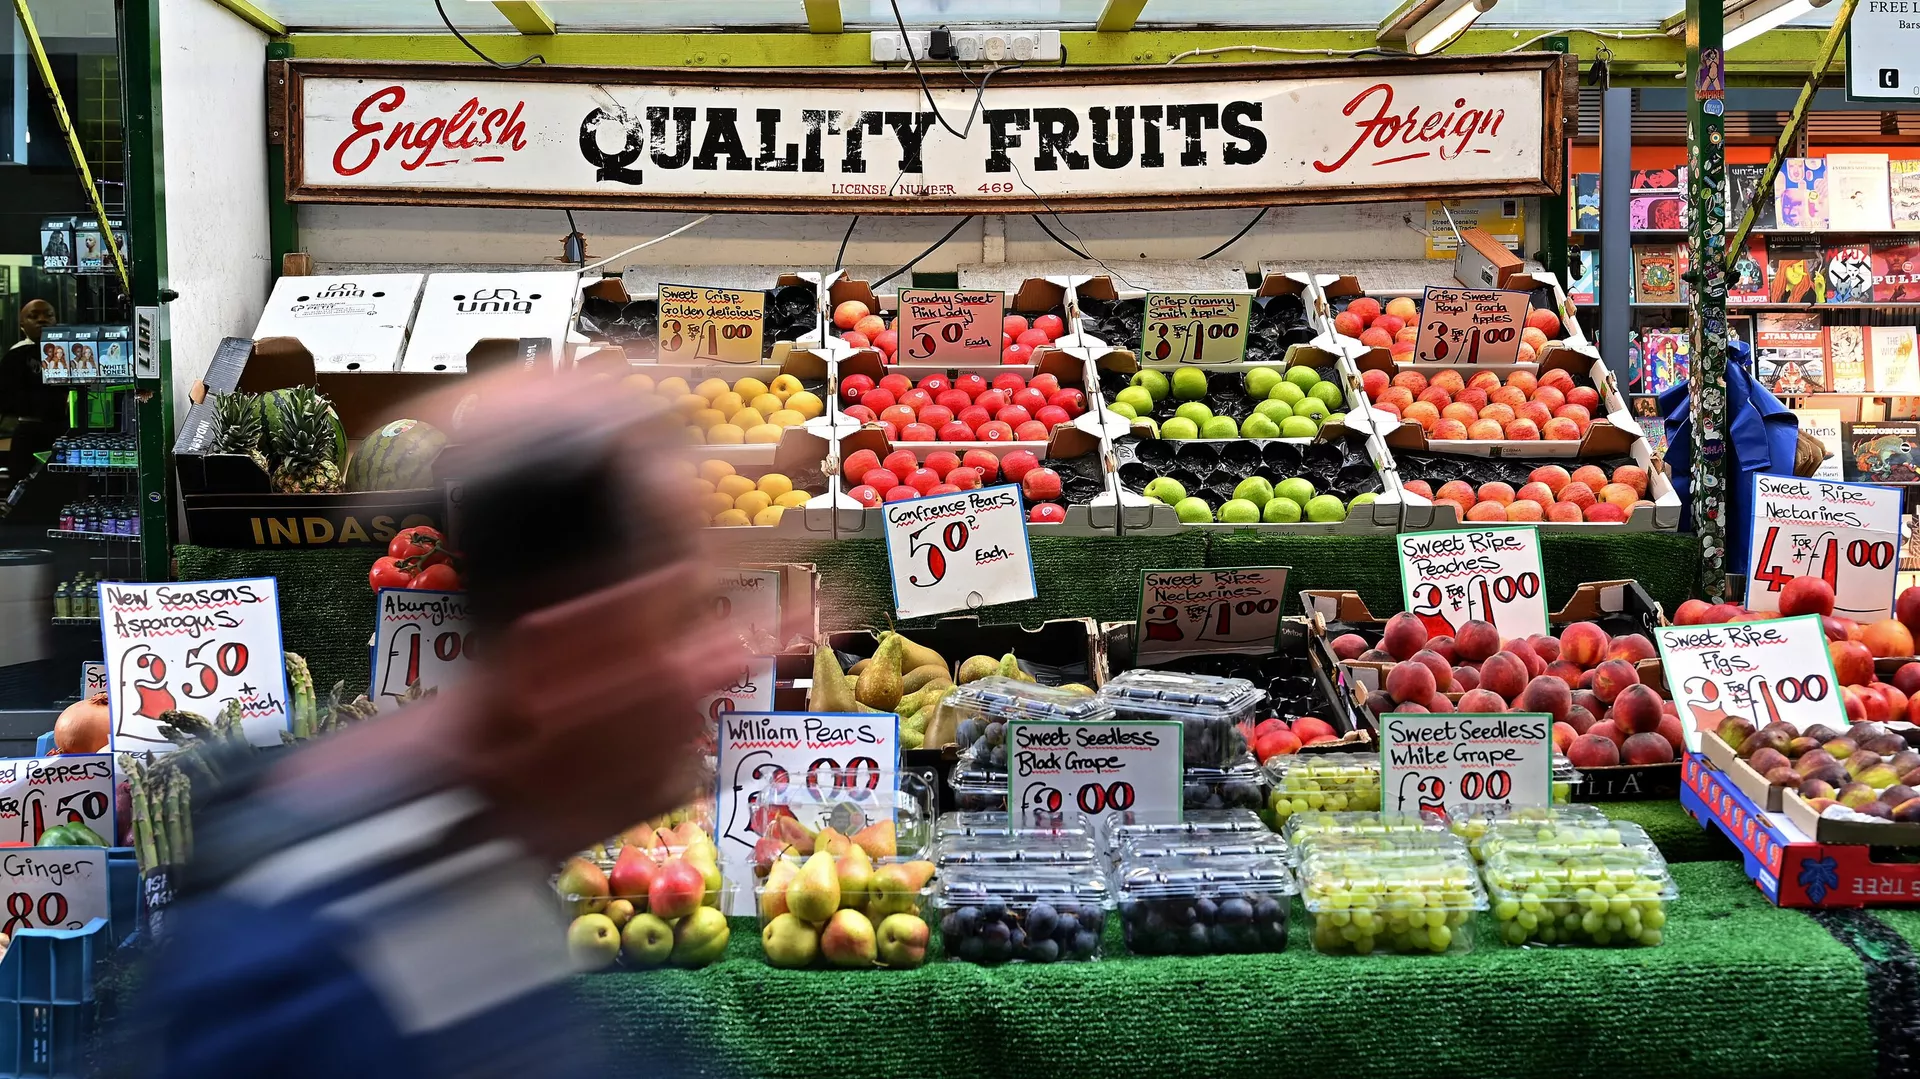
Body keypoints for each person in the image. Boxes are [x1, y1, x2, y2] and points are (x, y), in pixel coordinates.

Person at [122, 368, 743, 1078]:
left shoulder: (469, 871)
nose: (724, 660)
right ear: (567, 659)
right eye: (683, 620)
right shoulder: (326, 978)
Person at [0, 299, 65, 483]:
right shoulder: (15, 355)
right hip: (29, 433)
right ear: (22, 324)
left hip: (63, 432)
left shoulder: (65, 353)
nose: (42, 320)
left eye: (48, 315)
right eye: (34, 316)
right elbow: (6, 399)